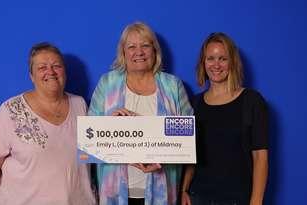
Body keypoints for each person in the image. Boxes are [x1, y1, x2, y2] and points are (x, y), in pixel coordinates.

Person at [88, 22, 194, 205]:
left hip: (162, 189)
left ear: (154, 50)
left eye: (145, 45)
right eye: (132, 46)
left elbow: (187, 137)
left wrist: (162, 159)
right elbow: (88, 137)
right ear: (123, 52)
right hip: (114, 191)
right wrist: (107, 123)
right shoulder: (108, 83)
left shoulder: (172, 86)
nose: (139, 52)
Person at [0, 42, 96, 205]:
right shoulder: (12, 110)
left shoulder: (80, 104)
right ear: (31, 76)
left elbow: (90, 153)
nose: (51, 72)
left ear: (65, 72)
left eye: (56, 66)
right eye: (42, 67)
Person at [181, 32, 269, 205]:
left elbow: (261, 157)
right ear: (203, 63)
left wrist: (256, 201)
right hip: (198, 197)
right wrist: (183, 190)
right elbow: (190, 155)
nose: (216, 65)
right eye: (210, 58)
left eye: (223, 58)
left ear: (232, 62)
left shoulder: (251, 101)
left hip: (237, 198)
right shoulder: (194, 104)